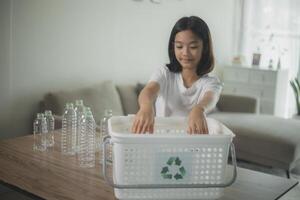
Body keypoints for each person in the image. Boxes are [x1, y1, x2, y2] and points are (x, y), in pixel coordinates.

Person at [131, 16, 222, 134]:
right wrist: (146, 106)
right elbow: (149, 90)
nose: (185, 53)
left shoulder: (211, 82)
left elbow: (210, 98)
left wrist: (199, 109)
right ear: (173, 47)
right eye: (179, 46)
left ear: (204, 48)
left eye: (193, 47)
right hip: (161, 142)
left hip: (192, 147)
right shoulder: (165, 73)